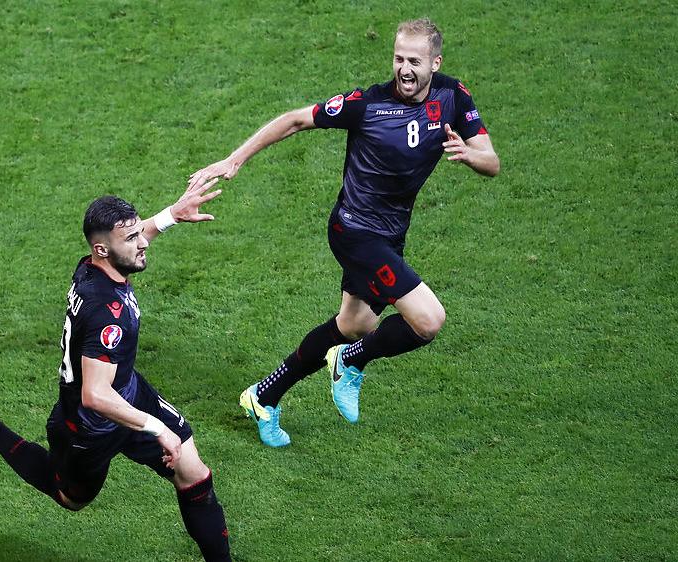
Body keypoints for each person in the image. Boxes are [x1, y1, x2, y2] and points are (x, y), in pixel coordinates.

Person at [187, 18, 500, 447]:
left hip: (390, 235)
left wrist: (468, 154)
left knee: (354, 324)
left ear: (435, 63)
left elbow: (491, 162)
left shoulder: (452, 96)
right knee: (429, 320)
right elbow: (296, 120)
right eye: (398, 59)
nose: (404, 69)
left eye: (414, 61)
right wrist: (234, 159)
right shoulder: (366, 105)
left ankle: (264, 396)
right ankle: (350, 362)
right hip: (354, 231)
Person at [0, 182, 231, 561]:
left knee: (195, 477)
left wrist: (172, 215)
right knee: (69, 498)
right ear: (102, 250)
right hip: (90, 425)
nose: (143, 242)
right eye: (132, 238)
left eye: (139, 231)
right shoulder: (107, 314)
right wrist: (158, 428)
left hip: (129, 392)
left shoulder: (91, 266)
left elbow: (127, 242)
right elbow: (95, 394)